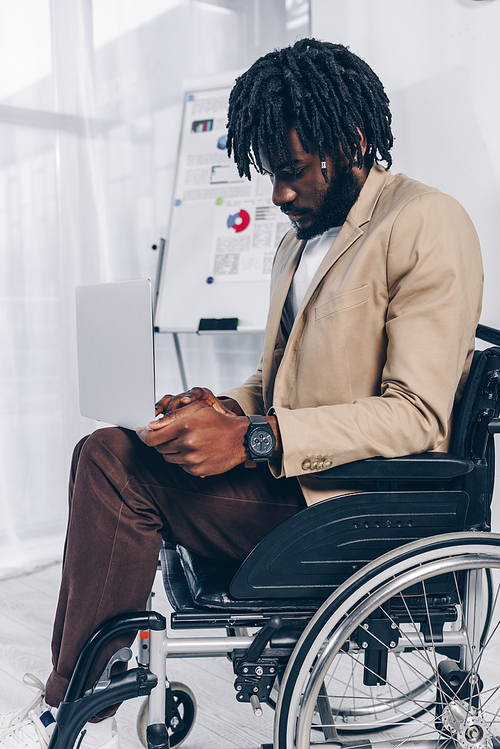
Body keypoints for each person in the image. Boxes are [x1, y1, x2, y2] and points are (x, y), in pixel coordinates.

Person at [0, 38, 482, 749]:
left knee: (111, 463)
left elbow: (415, 415)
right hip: (291, 474)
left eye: (291, 172)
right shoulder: (301, 237)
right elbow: (274, 379)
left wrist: (256, 438)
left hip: (346, 499)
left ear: (350, 142)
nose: (279, 194)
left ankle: (76, 705)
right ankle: (83, 683)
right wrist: (221, 407)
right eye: (272, 174)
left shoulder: (424, 222)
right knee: (104, 448)